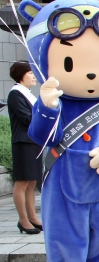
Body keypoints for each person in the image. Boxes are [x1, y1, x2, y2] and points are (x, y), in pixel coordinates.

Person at [7, 61, 42, 234]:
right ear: (21, 75)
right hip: (23, 143)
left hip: (33, 142)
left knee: (32, 182)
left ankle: (33, 218)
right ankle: (23, 220)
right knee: (22, 182)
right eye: (31, 73)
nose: (34, 76)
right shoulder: (16, 94)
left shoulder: (28, 94)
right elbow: (27, 119)